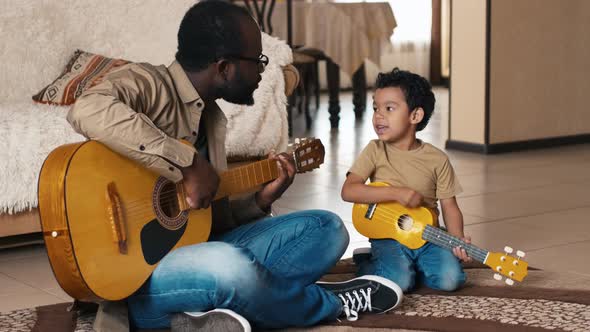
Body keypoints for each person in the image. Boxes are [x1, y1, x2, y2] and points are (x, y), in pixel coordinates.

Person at [67, 1, 402, 331]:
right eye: (257, 61)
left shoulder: (212, 118)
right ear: (224, 67)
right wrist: (186, 162)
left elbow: (204, 221)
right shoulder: (148, 83)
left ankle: (224, 308)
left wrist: (261, 201)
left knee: (327, 229)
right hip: (140, 278)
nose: (261, 71)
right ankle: (328, 303)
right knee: (231, 266)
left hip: (196, 254)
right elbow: (86, 109)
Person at [341, 68, 471, 294]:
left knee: (451, 280)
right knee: (399, 283)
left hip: (427, 235)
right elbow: (349, 191)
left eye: (389, 108)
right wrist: (395, 193)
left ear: (415, 116)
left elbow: (450, 207)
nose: (378, 116)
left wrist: (457, 240)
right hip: (388, 236)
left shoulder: (437, 159)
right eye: (375, 108)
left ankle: (414, 264)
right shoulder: (375, 150)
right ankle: (367, 262)